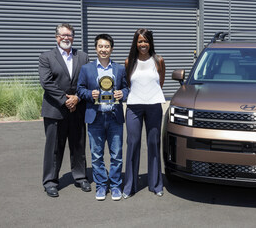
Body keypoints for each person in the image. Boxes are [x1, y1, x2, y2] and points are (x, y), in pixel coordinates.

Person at [38, 23, 91, 197]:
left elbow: (87, 81)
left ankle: (80, 176)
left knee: (78, 144)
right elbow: (47, 82)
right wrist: (65, 100)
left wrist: (77, 97)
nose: (66, 38)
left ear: (73, 37)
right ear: (56, 37)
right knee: (54, 147)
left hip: (77, 108)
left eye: (69, 35)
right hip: (55, 110)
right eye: (62, 35)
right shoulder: (46, 57)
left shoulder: (82, 56)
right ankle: (50, 181)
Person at [77, 34, 129, 201]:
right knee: (97, 155)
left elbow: (128, 88)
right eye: (100, 46)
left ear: (111, 49)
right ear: (95, 48)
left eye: (107, 47)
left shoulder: (120, 69)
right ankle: (101, 185)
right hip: (95, 117)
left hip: (114, 116)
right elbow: (80, 89)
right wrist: (89, 94)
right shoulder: (87, 69)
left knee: (116, 155)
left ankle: (115, 185)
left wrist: (123, 93)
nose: (103, 49)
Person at [123, 28, 166, 198]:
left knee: (154, 143)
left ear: (150, 43)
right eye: (140, 41)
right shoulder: (129, 62)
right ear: (135, 43)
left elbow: (159, 83)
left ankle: (156, 184)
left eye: (146, 41)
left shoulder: (158, 60)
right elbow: (128, 83)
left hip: (154, 105)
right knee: (133, 143)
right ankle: (130, 186)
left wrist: (150, 96)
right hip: (134, 107)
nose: (143, 44)